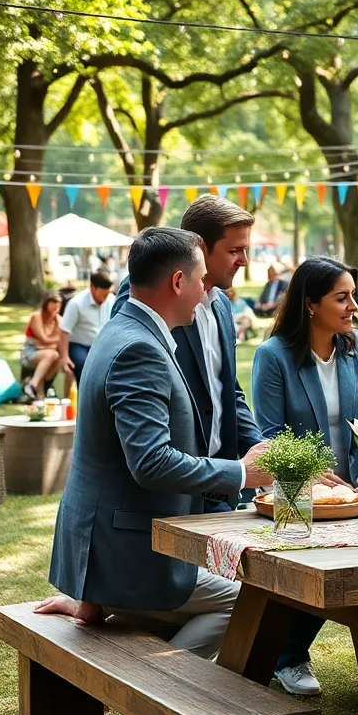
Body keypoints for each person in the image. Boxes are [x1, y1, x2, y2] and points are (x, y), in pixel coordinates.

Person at [36, 227, 276, 658]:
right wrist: (243, 472)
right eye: (202, 280)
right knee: (256, 597)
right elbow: (151, 462)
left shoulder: (123, 328)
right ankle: (162, 692)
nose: (208, 291)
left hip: (114, 545)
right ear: (178, 282)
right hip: (128, 554)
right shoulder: (138, 350)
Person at [251, 256, 358, 695]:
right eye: (342, 298)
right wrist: (313, 472)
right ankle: (287, 658)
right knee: (307, 576)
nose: (353, 306)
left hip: (356, 490)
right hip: (294, 489)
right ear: (310, 303)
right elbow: (269, 435)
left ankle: (280, 654)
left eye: (352, 296)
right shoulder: (273, 356)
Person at [113, 195, 267, 511]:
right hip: (166, 494)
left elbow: (227, 390)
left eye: (246, 250)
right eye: (234, 250)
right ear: (199, 245)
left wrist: (261, 451)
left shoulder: (223, 306)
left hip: (217, 489)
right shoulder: (152, 296)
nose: (244, 261)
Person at [59, 270, 115, 392]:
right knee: (85, 367)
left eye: (107, 295)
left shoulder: (111, 301)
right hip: (79, 346)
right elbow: (64, 330)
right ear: (93, 288)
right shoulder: (76, 303)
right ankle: (85, 398)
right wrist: (64, 357)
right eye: (103, 295)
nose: (105, 299)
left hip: (102, 346)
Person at [21, 292, 64, 401]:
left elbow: (59, 341)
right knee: (52, 355)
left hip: (46, 352)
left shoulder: (57, 319)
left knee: (59, 359)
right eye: (53, 305)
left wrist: (58, 327)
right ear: (47, 303)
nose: (56, 308)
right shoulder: (37, 316)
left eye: (58, 306)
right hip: (30, 351)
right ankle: (33, 385)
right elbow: (44, 339)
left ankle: (41, 391)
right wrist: (54, 342)